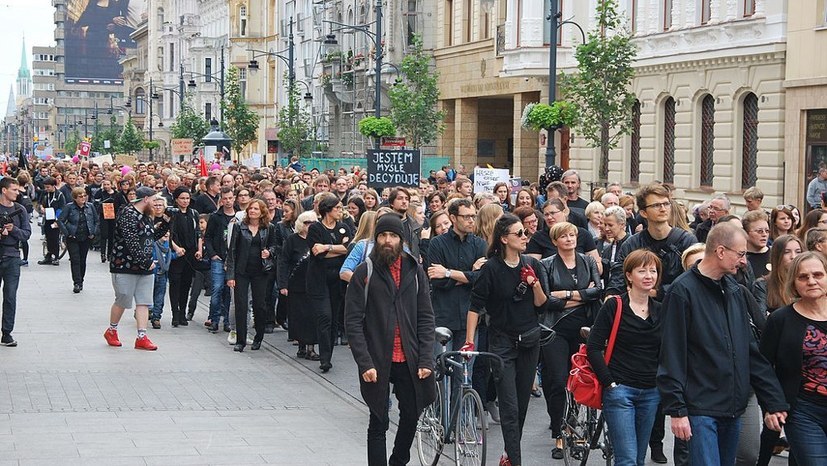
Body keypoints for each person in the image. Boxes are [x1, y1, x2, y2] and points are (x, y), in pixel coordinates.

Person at [657, 222, 789, 466]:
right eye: (740, 254)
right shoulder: (682, 291)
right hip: (700, 409)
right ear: (720, 251)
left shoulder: (734, 291)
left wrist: (774, 400)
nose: (744, 262)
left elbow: (749, 351)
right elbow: (672, 354)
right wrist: (677, 410)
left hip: (732, 408)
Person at [344, 213, 437, 466]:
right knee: (378, 419)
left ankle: (398, 460)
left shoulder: (416, 272)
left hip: (409, 357)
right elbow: (352, 322)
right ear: (376, 239)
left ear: (401, 240)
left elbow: (426, 318)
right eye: (383, 235)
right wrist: (365, 362)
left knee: (411, 413)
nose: (387, 240)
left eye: (393, 236)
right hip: (377, 358)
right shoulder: (365, 272)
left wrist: (426, 359)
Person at [465, 214, 548, 466]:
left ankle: (508, 454)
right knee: (510, 408)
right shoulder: (491, 268)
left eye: (525, 232)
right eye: (519, 233)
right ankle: (514, 461)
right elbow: (474, 307)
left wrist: (533, 285)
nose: (525, 237)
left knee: (521, 407)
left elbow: (541, 304)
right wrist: (469, 340)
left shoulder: (531, 264)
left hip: (529, 341)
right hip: (501, 343)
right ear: (504, 239)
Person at [587, 250, 663, 466]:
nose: (649, 275)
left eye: (653, 270)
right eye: (642, 271)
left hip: (651, 391)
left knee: (638, 459)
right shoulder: (614, 305)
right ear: (629, 275)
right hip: (620, 390)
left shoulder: (661, 309)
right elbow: (593, 347)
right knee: (627, 459)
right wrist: (609, 382)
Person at [539, 221, 603, 459]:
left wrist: (567, 294)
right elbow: (547, 300)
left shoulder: (587, 261)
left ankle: (574, 427)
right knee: (557, 380)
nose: (569, 239)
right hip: (555, 328)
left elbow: (598, 291)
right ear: (555, 241)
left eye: (572, 235)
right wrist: (582, 296)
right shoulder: (545, 264)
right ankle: (558, 431)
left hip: (585, 327)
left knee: (580, 380)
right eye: (563, 236)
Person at [760, 252, 827, 466]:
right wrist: (772, 405)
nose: (812, 281)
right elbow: (763, 366)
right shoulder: (781, 320)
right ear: (794, 283)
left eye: (818, 274)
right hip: (803, 410)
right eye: (803, 277)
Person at [426, 199, 489, 408]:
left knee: (464, 375)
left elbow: (481, 279)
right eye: (466, 216)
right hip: (443, 315)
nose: (471, 220)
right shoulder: (437, 243)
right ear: (453, 218)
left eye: (474, 216)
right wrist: (468, 275)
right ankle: (439, 417)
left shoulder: (480, 244)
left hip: (469, 318)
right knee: (441, 370)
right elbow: (437, 280)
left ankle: (459, 423)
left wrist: (448, 272)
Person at [104, 186, 169, 351]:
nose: (156, 204)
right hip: (124, 264)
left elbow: (150, 237)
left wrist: (166, 225)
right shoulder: (127, 214)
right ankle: (112, 330)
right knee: (123, 299)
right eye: (154, 200)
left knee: (144, 302)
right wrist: (145, 261)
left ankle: (142, 336)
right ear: (145, 199)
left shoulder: (147, 216)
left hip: (145, 266)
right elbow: (131, 241)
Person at [307, 194, 352, 373]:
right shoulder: (315, 228)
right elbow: (317, 253)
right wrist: (335, 249)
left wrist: (327, 247)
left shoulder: (344, 227)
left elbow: (348, 249)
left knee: (334, 318)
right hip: (319, 278)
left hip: (337, 279)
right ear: (327, 210)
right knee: (324, 316)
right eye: (338, 208)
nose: (341, 211)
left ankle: (329, 354)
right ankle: (324, 358)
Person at [226, 199, 277, 352]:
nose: (252, 211)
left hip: (260, 271)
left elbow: (275, 246)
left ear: (262, 212)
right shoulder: (239, 227)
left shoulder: (269, 228)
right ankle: (240, 340)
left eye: (256, 209)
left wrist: (269, 252)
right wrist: (230, 275)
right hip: (242, 271)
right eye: (251, 208)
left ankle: (258, 337)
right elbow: (232, 251)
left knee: (260, 305)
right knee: (241, 305)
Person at [278, 211, 317, 360]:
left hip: (313, 282)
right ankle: (301, 346)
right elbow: (284, 262)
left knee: (312, 316)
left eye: (313, 222)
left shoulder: (317, 239)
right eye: (307, 223)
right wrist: (283, 284)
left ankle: (311, 348)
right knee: (298, 316)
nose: (310, 225)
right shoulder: (292, 240)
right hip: (296, 282)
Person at [0, 177, 31, 347]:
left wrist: (13, 229)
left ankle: (7, 333)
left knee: (10, 296)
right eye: (14, 189)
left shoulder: (20, 210)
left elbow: (26, 234)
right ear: (4, 190)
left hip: (12, 256)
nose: (17, 193)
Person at [167, 187, 203, 327]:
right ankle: (175, 313)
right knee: (175, 282)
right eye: (182, 198)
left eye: (187, 198)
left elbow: (198, 233)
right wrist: (176, 248)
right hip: (177, 253)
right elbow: (168, 232)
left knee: (186, 283)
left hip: (190, 252)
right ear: (176, 199)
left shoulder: (193, 213)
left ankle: (183, 312)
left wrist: (199, 249)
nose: (185, 201)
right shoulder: (171, 213)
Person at [204, 187, 236, 333]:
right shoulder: (216, 217)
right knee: (217, 288)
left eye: (230, 198)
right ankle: (215, 319)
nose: (228, 201)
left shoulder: (239, 217)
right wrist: (212, 254)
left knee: (230, 291)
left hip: (233, 258)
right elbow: (208, 237)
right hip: (218, 256)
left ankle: (228, 321)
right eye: (225, 198)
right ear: (221, 200)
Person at [57, 187, 99, 293]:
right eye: (80, 196)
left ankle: (81, 280)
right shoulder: (69, 207)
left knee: (82, 260)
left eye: (84, 196)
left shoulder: (90, 206)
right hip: (73, 237)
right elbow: (60, 220)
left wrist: (93, 232)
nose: (83, 198)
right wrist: (67, 233)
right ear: (75, 198)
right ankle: (77, 282)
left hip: (86, 236)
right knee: (75, 260)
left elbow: (96, 220)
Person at [38, 177, 66, 266]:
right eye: (45, 187)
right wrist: (42, 207)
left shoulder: (59, 195)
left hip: (56, 219)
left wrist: (58, 221)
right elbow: (41, 203)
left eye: (48, 187)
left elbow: (61, 208)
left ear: (53, 186)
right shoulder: (46, 194)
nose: (46, 189)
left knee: (55, 238)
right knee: (48, 237)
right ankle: (49, 255)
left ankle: (56, 257)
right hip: (47, 218)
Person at [94, 179, 118, 263]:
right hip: (103, 215)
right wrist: (101, 189)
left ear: (111, 185)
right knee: (104, 235)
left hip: (113, 216)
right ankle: (103, 254)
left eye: (108, 184)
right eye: (105, 185)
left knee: (112, 235)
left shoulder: (116, 193)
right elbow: (96, 199)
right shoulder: (101, 193)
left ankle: (110, 254)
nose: (106, 186)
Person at [743, 210, 771, 279]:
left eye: (767, 231)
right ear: (746, 233)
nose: (764, 234)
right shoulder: (741, 258)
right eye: (759, 231)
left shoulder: (775, 255)